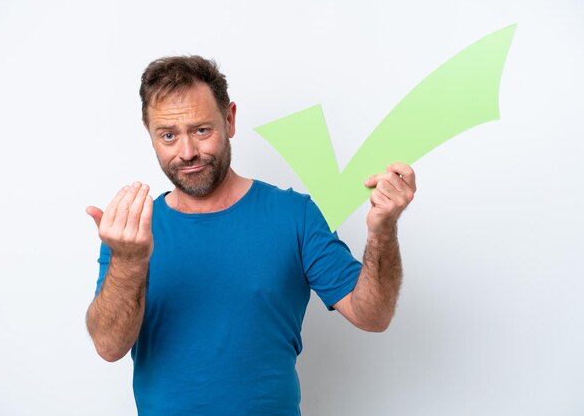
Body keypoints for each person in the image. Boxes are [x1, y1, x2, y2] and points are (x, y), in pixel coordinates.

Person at [86, 55, 416, 416]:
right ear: (149, 133)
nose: (188, 152)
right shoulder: (130, 233)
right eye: (168, 135)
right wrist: (130, 260)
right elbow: (109, 345)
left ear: (229, 120)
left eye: (201, 130)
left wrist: (382, 231)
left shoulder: (295, 215)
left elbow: (373, 315)